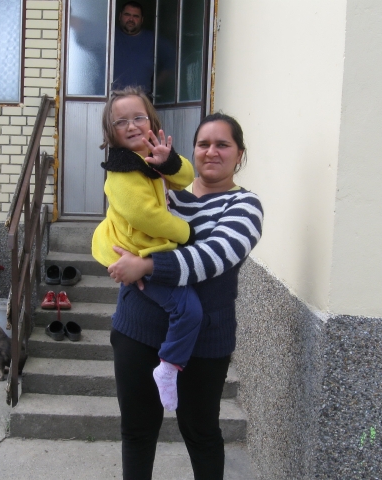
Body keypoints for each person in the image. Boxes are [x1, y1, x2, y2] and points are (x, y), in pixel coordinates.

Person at [106, 112, 264, 479]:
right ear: (192, 151)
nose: (211, 152)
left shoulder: (245, 206)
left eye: (222, 144)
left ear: (239, 154)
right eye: (203, 144)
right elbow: (127, 224)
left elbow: (211, 258)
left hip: (205, 340)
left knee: (201, 432)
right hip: (137, 328)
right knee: (137, 431)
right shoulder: (166, 195)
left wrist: (146, 266)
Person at [91, 86, 202, 411]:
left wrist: (169, 162)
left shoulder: (149, 158)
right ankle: (168, 367)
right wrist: (186, 233)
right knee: (188, 309)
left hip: (149, 249)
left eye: (138, 117)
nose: (131, 126)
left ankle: (169, 363)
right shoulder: (121, 172)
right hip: (137, 251)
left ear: (152, 121)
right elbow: (146, 216)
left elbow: (186, 177)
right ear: (110, 131)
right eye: (121, 121)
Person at [113, 2, 155, 97]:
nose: (131, 19)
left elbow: (171, 63)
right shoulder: (109, 35)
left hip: (141, 99)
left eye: (136, 16)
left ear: (142, 20)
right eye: (127, 15)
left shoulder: (153, 40)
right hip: (111, 98)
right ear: (120, 16)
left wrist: (153, 87)